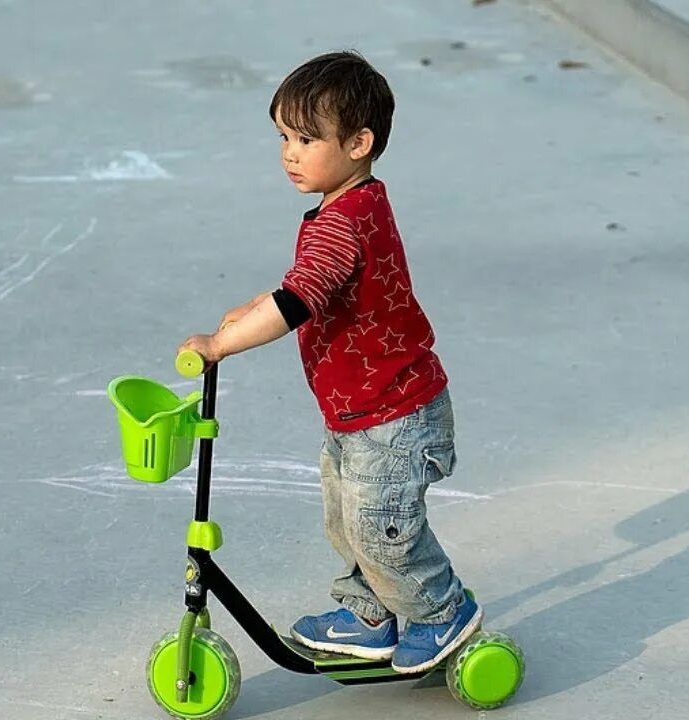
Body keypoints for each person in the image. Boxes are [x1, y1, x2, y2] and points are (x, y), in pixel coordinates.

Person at [177, 50, 480, 673]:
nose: (290, 152)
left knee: (381, 530)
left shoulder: (345, 222)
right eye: (284, 137)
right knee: (348, 523)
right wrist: (252, 305)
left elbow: (299, 301)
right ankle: (373, 611)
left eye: (307, 139)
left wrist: (221, 344)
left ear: (360, 142)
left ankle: (441, 610)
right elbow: (306, 285)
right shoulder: (351, 206)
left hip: (394, 415)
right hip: (359, 411)